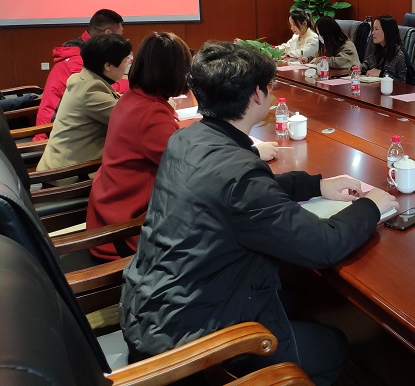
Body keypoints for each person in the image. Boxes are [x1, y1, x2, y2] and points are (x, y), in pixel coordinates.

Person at [120, 41, 398, 385]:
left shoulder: (188, 139)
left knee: (292, 297)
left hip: (154, 307)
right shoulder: (238, 173)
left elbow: (235, 195)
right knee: (334, 346)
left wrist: (314, 185)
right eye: (270, 86)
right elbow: (321, 245)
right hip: (191, 342)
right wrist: (371, 206)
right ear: (256, 95)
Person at [85, 32, 194, 260]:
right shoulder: (151, 114)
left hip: (109, 213)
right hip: (126, 233)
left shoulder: (133, 97)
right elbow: (191, 168)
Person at [36, 34, 132, 172]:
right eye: (125, 60)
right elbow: (130, 121)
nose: (127, 65)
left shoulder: (81, 78)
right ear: (108, 66)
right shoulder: (91, 90)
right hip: (70, 174)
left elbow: (115, 100)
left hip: (61, 162)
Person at [35, 9, 127, 137]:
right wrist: (133, 83)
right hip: (51, 132)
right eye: (120, 36)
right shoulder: (79, 60)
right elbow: (101, 90)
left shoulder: (80, 51)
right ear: (108, 34)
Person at [361, 15, 408, 81]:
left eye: (376, 29)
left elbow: (403, 82)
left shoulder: (399, 53)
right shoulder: (377, 47)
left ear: (387, 31)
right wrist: (361, 68)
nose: (373, 33)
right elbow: (368, 63)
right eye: (373, 29)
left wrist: (382, 73)